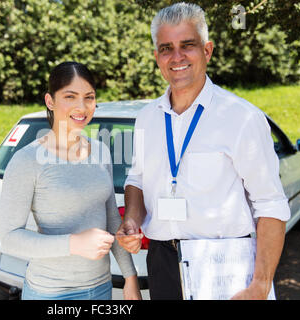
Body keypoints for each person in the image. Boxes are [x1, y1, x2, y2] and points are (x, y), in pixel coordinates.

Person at [116, 2, 290, 300]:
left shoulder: (242, 118)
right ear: (157, 56)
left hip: (223, 265)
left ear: (207, 50)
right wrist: (131, 219)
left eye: (188, 45)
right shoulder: (147, 117)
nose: (177, 57)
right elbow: (137, 179)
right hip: (161, 262)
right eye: (166, 48)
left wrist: (260, 285)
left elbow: (270, 203)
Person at [0, 61, 141, 300]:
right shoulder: (27, 161)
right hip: (51, 293)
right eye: (70, 96)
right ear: (50, 101)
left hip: (101, 288)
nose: (81, 107)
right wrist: (74, 243)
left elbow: (111, 217)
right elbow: (10, 239)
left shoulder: (100, 151)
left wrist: (130, 278)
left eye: (89, 97)